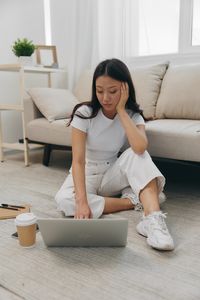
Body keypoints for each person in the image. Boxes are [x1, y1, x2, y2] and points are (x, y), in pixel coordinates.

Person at [55, 58, 174, 251]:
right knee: (64, 201)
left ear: (125, 89)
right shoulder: (84, 113)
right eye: (99, 91)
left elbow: (140, 147)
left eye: (112, 91)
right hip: (87, 173)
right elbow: (77, 161)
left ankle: (152, 220)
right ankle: (132, 201)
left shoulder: (133, 115)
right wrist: (82, 201)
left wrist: (121, 110)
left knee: (138, 155)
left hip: (112, 173)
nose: (105, 98)